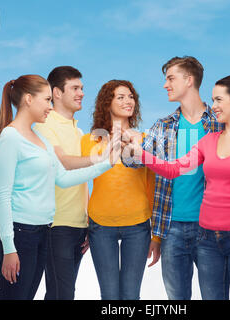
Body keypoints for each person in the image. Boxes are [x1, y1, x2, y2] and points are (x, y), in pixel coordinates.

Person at [124, 75, 230, 300]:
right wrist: (139, 153)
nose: (213, 106)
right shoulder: (209, 141)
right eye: (212, 100)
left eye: (218, 100)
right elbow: (173, 169)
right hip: (206, 241)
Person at [0, 74, 120, 300]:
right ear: (28, 100)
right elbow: (3, 195)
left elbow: (62, 177)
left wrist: (106, 164)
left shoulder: (40, 139)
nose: (50, 108)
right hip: (20, 233)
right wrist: (9, 247)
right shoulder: (10, 137)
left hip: (43, 230)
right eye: (46, 100)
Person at [122, 56, 223, 300]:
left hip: (211, 228)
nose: (165, 85)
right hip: (171, 229)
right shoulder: (163, 126)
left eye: (170, 78)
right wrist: (128, 144)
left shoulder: (219, 124)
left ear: (189, 81)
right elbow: (132, 162)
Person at [80, 80, 155, 300]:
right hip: (100, 226)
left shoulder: (145, 140)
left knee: (131, 296)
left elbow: (152, 184)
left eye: (130, 96)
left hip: (138, 226)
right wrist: (82, 221)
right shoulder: (89, 141)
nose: (128, 101)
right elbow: (80, 183)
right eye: (120, 97)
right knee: (110, 296)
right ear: (107, 103)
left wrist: (156, 236)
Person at [33, 66, 93, 300]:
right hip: (55, 226)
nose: (81, 93)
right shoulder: (44, 127)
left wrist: (88, 219)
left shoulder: (79, 132)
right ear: (57, 93)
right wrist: (102, 158)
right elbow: (64, 163)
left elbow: (82, 180)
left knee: (63, 293)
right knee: (61, 294)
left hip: (78, 226)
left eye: (82, 88)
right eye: (75, 88)